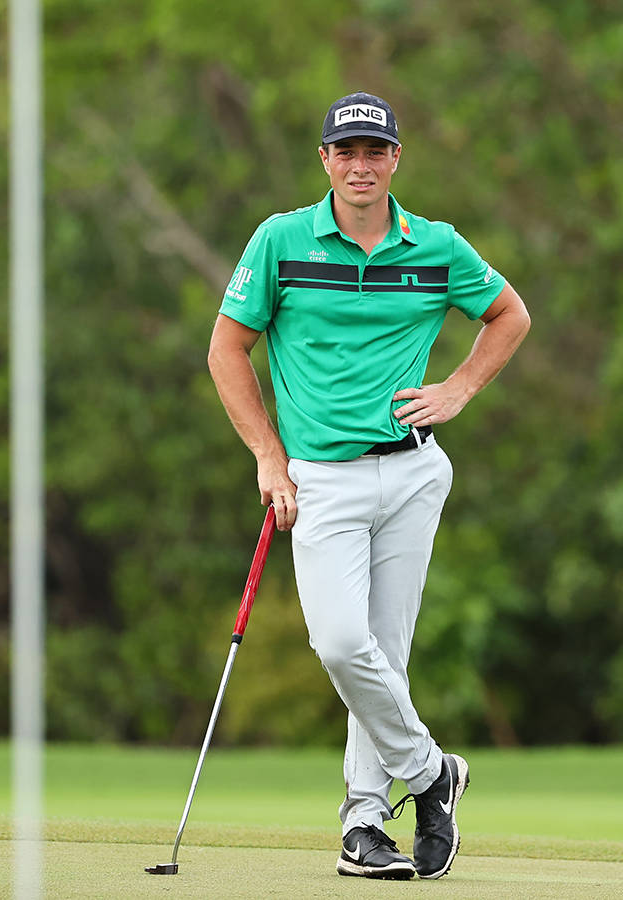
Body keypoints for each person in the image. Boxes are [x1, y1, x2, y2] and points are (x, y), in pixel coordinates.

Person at [207, 91, 530, 880]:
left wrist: (456, 390)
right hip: (321, 480)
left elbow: (509, 315)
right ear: (325, 160)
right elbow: (226, 350)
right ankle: (430, 776)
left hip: (414, 472)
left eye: (374, 152)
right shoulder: (282, 241)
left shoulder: (437, 246)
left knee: (384, 649)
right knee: (344, 644)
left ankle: (362, 826)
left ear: (395, 159)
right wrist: (267, 457)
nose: (360, 165)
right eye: (345, 152)